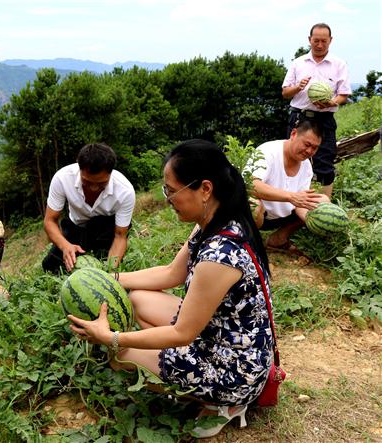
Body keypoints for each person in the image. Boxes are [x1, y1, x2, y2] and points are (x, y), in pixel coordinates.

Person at [68, 140, 274, 438]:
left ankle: (223, 404)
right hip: (218, 335)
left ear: (205, 189)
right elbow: (169, 274)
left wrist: (111, 337)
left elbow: (182, 333)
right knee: (137, 299)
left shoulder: (221, 254)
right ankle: (171, 362)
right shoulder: (216, 220)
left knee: (120, 355)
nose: (167, 199)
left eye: (171, 190)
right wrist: (108, 279)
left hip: (235, 369)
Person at [42, 143, 135, 274]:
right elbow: (49, 221)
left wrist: (109, 273)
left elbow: (120, 235)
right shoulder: (62, 178)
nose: (94, 188)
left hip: (106, 228)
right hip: (76, 226)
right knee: (50, 266)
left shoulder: (125, 191)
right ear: (79, 168)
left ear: (111, 172)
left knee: (110, 254)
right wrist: (65, 246)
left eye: (101, 183)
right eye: (87, 182)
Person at [282, 22, 351, 198]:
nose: (319, 45)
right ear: (309, 40)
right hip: (300, 117)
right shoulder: (298, 63)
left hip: (325, 119)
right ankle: (292, 205)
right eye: (316, 41)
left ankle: (323, 209)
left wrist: (332, 102)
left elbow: (344, 94)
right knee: (294, 159)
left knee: (325, 163)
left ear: (330, 41)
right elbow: (285, 93)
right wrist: (298, 87)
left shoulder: (339, 64)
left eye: (324, 41)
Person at [252, 119, 330, 251]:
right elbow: (251, 185)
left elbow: (301, 201)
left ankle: (278, 239)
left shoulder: (306, 166)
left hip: (282, 217)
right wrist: (290, 196)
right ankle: (247, 242)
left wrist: (313, 220)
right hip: (259, 214)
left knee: (323, 201)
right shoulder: (267, 151)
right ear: (293, 134)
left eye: (315, 148)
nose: (309, 151)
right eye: (307, 144)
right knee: (252, 203)